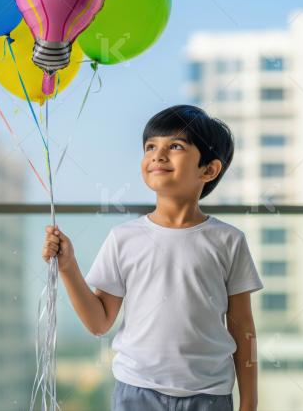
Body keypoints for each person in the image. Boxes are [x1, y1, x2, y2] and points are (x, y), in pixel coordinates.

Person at [42, 104, 263, 411]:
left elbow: (243, 328)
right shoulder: (124, 238)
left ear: (209, 169)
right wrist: (68, 267)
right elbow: (99, 322)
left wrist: (249, 402)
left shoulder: (229, 240)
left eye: (175, 146)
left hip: (210, 395)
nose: (158, 155)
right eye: (150, 146)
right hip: (136, 392)